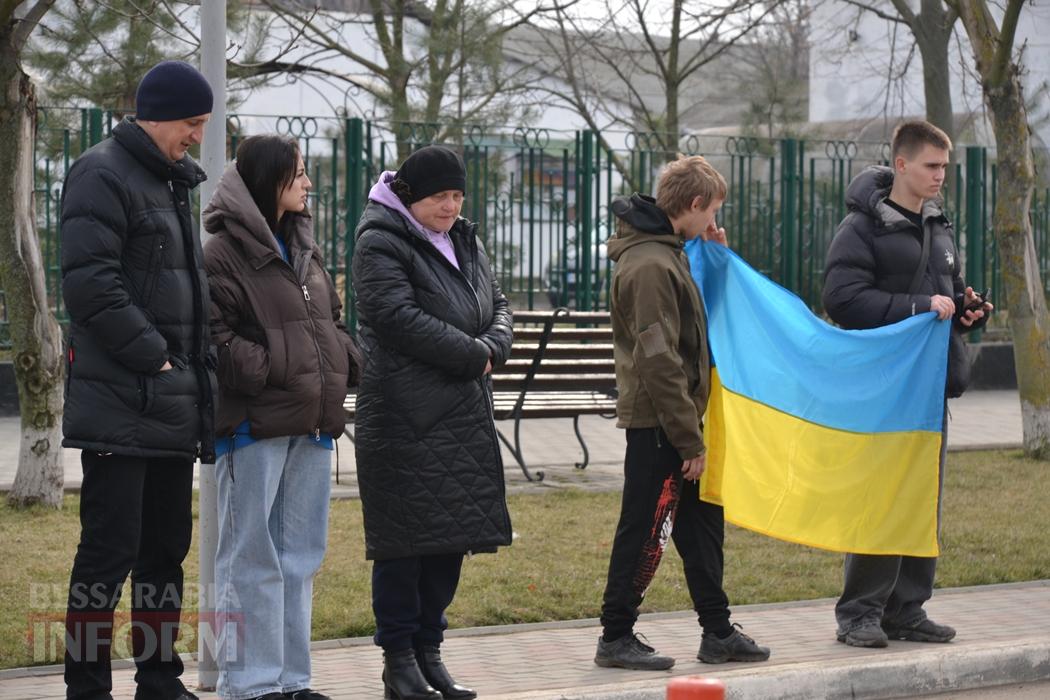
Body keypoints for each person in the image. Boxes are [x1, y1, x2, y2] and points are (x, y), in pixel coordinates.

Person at [60, 60, 215, 700]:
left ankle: (158, 679)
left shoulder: (170, 181)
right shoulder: (101, 172)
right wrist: (156, 356)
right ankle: (87, 686)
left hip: (169, 405)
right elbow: (92, 286)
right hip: (122, 402)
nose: (197, 138)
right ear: (158, 115)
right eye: (192, 123)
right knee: (107, 557)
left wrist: (185, 374)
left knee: (163, 556)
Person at [594, 155, 771, 671]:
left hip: (679, 418)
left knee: (702, 525)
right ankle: (615, 636)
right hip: (659, 422)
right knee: (644, 528)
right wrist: (688, 439)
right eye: (713, 210)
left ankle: (717, 631)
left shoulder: (669, 253)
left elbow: (689, 324)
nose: (715, 221)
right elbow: (658, 357)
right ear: (694, 204)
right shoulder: (649, 263)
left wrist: (713, 256)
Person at [351, 145, 513, 700]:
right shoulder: (380, 241)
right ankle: (398, 661)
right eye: (441, 196)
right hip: (405, 418)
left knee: (448, 541)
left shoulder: (463, 237)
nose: (451, 205)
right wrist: (474, 353)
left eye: (457, 195)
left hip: (461, 416)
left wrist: (494, 341)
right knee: (405, 546)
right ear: (412, 197)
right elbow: (395, 317)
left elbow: (499, 302)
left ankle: (429, 654)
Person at [822, 120, 992, 648]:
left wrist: (967, 313)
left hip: (929, 389)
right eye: (931, 166)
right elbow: (843, 301)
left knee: (922, 500)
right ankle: (859, 613)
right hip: (883, 390)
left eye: (945, 166)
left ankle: (908, 609)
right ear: (901, 165)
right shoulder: (862, 228)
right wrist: (921, 307)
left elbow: (949, 293)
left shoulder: (939, 225)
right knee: (880, 499)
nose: (941, 175)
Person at [202, 134, 360, 700]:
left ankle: (292, 683)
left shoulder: (305, 246)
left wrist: (344, 361)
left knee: (300, 560)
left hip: (312, 426)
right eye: (298, 174)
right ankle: (248, 685)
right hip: (255, 428)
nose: (308, 183)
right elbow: (214, 340)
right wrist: (280, 368)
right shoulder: (221, 252)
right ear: (272, 180)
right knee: (250, 560)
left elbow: (333, 322)